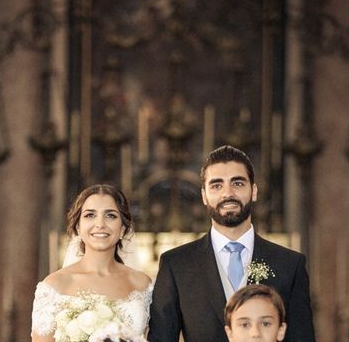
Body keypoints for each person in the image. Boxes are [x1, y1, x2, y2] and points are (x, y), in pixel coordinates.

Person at [148, 145, 315, 342]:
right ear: (204, 196)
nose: (228, 193)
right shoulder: (176, 264)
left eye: (237, 183)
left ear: (253, 191)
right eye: (217, 185)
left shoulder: (290, 264)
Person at [31, 184, 153, 341]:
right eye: (90, 215)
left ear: (122, 228)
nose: (100, 224)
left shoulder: (142, 284)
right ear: (78, 227)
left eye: (110, 216)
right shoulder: (55, 285)